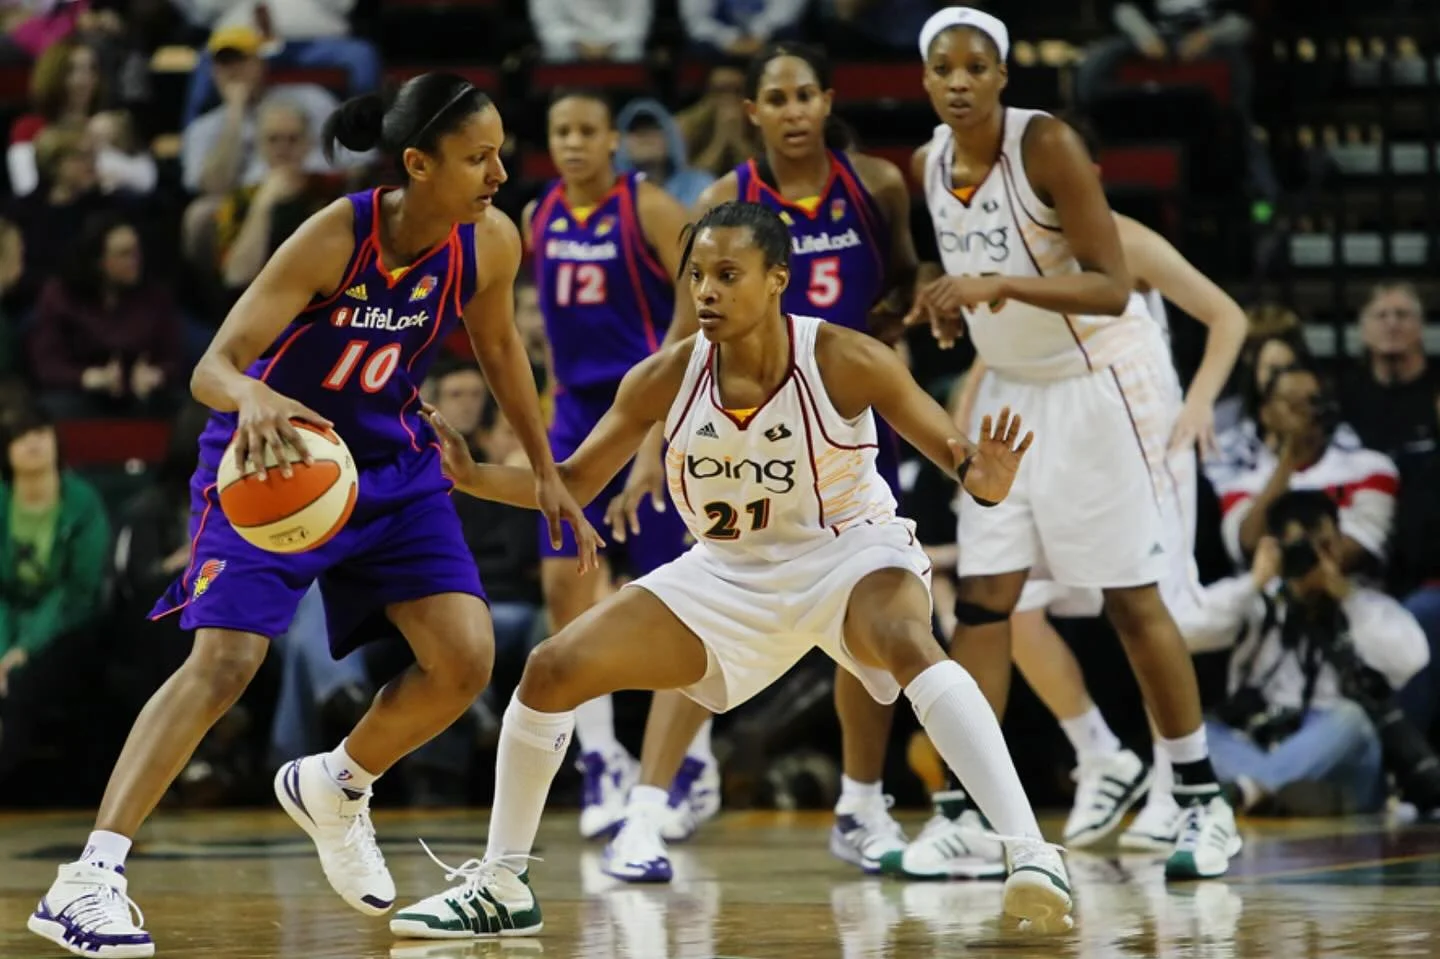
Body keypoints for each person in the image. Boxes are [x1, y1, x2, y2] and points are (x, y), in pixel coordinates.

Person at [26, 72, 597, 959]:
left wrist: (545, 466)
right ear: (417, 163)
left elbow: (498, 347)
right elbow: (212, 365)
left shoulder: (489, 242)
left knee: (465, 657)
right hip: (274, 461)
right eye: (477, 157)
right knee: (223, 663)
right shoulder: (338, 235)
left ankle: (340, 781)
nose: (498, 172)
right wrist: (252, 396)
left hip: (391, 465)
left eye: (498, 153)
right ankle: (88, 877)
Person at [389, 200, 1072, 939]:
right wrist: (472, 476)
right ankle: (501, 883)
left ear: (777, 278)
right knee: (551, 668)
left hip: (851, 551)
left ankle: (1033, 852)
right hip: (727, 572)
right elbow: (575, 482)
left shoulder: (844, 358)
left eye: (726, 274)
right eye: (696, 276)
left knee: (908, 644)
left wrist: (985, 477)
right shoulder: (664, 376)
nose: (706, 291)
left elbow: (960, 458)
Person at [906, 7, 1239, 880]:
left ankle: (1202, 801)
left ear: (1004, 74)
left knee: (1133, 598)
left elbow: (1112, 286)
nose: (962, 81)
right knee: (983, 604)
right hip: (1011, 400)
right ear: (927, 80)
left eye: (978, 66)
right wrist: (944, 305)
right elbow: (959, 283)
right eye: (945, 68)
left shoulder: (1043, 144)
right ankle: (970, 813)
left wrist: (998, 284)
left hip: (1093, 392)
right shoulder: (927, 166)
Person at [604, 40, 925, 881]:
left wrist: (901, 325)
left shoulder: (877, 186)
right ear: (750, 111)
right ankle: (650, 805)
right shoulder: (722, 201)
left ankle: (861, 804)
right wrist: (648, 451)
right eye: (774, 98)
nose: (790, 111)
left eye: (803, 96)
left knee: (870, 629)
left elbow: (904, 283)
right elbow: (681, 340)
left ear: (827, 101)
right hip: (733, 429)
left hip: (843, 422)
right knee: (700, 606)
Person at [521, 88, 706, 844]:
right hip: (573, 413)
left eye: (587, 130)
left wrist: (662, 425)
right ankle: (600, 757)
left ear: (612, 141)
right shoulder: (539, 216)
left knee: (678, 595)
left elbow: (698, 302)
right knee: (566, 586)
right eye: (560, 129)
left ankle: (693, 762)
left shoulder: (650, 205)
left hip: (651, 405)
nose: (572, 142)